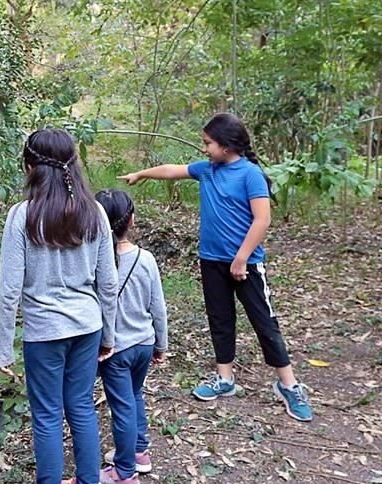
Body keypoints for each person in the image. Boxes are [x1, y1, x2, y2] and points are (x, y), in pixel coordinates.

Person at [118, 112, 312, 421]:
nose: (204, 148)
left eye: (208, 143)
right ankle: (224, 378)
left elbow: (262, 220)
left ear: (226, 145)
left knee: (264, 322)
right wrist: (141, 174)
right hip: (211, 261)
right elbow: (172, 170)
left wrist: (241, 258)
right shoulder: (207, 170)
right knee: (220, 319)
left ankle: (288, 384)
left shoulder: (250, 174)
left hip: (246, 265)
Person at [0, 128, 118, 484]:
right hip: (87, 326)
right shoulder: (95, 212)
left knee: (47, 415)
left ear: (29, 166)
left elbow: (10, 289)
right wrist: (109, 335)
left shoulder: (22, 215)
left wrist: (3, 349)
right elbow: (108, 283)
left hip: (45, 332)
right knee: (81, 406)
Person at [94, 189, 168, 484]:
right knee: (135, 396)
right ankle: (139, 451)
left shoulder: (97, 261)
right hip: (144, 344)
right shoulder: (145, 259)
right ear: (132, 220)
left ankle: (124, 473)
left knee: (121, 406)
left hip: (116, 350)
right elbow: (158, 307)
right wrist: (161, 345)